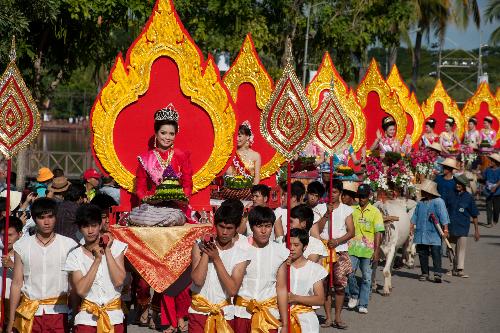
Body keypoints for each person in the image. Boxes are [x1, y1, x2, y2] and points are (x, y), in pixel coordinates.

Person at [135, 103, 194, 332]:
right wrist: (151, 197)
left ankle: (179, 315)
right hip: (153, 214)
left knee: (178, 269)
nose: (167, 137)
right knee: (147, 269)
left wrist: (180, 196)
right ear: (156, 134)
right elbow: (140, 188)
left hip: (177, 213)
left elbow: (188, 184)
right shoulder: (145, 159)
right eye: (163, 133)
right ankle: (147, 307)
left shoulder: (181, 156)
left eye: (171, 133)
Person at [7, 197, 78, 333]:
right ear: (34, 219)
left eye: (50, 217)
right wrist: (11, 320)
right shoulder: (22, 245)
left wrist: (75, 314)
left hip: (59, 313)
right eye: (41, 217)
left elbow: (73, 285)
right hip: (29, 313)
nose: (47, 222)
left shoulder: (69, 245)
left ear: (56, 218)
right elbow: (16, 283)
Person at [64, 204, 127, 333]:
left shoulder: (116, 248)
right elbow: (81, 290)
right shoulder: (75, 255)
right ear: (80, 228)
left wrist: (107, 251)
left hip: (114, 317)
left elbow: (119, 281)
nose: (90, 230)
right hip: (86, 319)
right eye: (86, 226)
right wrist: (97, 260)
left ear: (100, 225)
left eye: (94, 225)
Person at [188, 204, 250, 332]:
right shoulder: (198, 245)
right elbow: (198, 280)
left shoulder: (241, 254)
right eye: (221, 227)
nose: (225, 232)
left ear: (236, 229)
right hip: (199, 312)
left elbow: (232, 289)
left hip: (224, 314)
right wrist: (207, 251)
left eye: (229, 228)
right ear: (215, 225)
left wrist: (216, 258)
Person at [234, 206, 289, 333]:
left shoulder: (280, 252)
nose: (264, 231)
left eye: (268, 226)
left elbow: (281, 288)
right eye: (259, 226)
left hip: (269, 315)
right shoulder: (240, 248)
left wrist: (285, 324)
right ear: (252, 227)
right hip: (242, 313)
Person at [312, 180, 354, 329]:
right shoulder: (319, 208)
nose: (332, 195)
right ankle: (328, 318)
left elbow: (351, 231)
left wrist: (337, 241)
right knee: (324, 286)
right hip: (323, 250)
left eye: (335, 192)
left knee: (339, 285)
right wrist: (326, 215)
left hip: (340, 250)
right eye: (330, 192)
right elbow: (317, 228)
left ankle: (338, 317)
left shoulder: (346, 210)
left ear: (340, 193)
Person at [347, 184, 384, 314]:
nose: (361, 199)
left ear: (369, 196)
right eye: (360, 196)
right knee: (349, 273)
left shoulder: (375, 212)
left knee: (367, 278)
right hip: (352, 248)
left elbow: (378, 231)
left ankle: (363, 303)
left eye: (364, 196)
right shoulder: (351, 210)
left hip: (368, 250)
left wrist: (376, 250)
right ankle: (354, 294)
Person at [410, 179, 450, 283]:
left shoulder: (438, 202)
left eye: (423, 190)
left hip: (434, 233)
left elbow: (443, 216)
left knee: (436, 253)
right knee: (422, 253)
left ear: (429, 191)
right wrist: (411, 226)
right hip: (421, 231)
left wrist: (445, 229)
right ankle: (425, 273)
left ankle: (437, 273)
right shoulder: (420, 203)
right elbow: (415, 215)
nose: (421, 192)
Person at [288, 228, 327, 333]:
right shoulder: (281, 267)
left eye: (296, 245)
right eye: (289, 244)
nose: (291, 248)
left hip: (306, 319)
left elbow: (320, 299)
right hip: (282, 318)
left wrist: (295, 298)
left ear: (304, 247)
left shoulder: (315, 269)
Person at [446, 175, 480, 277]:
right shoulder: (450, 194)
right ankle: (453, 268)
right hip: (450, 226)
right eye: (457, 183)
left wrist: (476, 231)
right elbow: (444, 209)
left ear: (464, 185)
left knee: (461, 248)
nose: (457, 185)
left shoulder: (468, 197)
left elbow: (474, 215)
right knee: (449, 248)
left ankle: (460, 269)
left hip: (463, 227)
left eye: (460, 184)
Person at [0, 216, 23, 325]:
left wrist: (13, 265)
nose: (6, 239)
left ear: (20, 234)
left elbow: (29, 276)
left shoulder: (25, 255)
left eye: (10, 235)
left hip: (15, 303)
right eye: (3, 235)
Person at [482, 153, 500, 227]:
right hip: (488, 192)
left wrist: (495, 187)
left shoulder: (499, 170)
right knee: (488, 207)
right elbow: (484, 178)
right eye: (491, 160)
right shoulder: (487, 169)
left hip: (497, 192)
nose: (490, 162)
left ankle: (495, 220)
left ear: (496, 162)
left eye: (492, 161)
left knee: (496, 208)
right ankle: (489, 222)